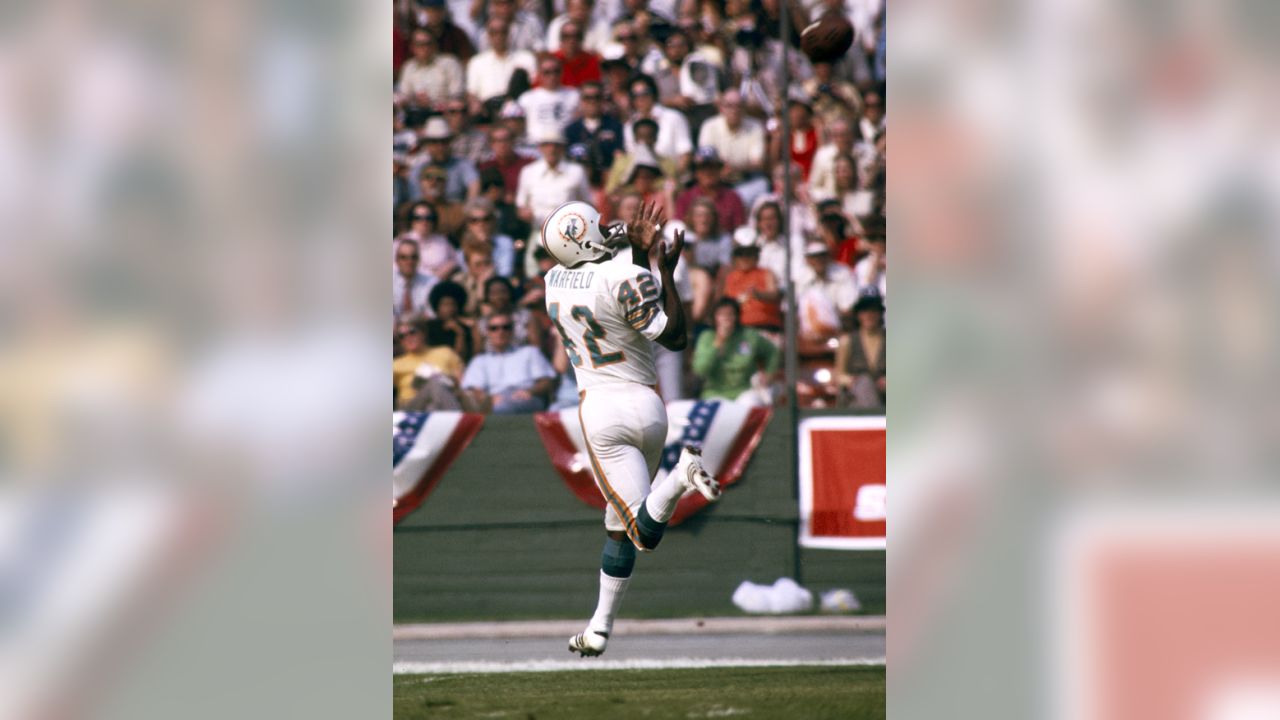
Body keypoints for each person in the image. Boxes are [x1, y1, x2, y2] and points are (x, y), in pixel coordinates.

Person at [540, 200, 719, 657]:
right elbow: (673, 337)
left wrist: (634, 246)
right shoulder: (624, 276)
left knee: (642, 533)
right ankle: (599, 628)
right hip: (648, 405)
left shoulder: (553, 281)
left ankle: (681, 478)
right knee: (622, 525)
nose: (605, 227)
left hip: (602, 411)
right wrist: (665, 269)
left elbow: (596, 253)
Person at [460, 310, 557, 413]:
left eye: (506, 327)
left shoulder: (530, 352)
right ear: (487, 332)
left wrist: (531, 391)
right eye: (494, 328)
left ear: (513, 330)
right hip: (494, 399)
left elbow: (547, 381)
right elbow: (473, 388)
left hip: (526, 397)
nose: (500, 331)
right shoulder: (479, 361)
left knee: (501, 408)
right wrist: (488, 399)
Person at [690, 298, 781, 404]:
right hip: (715, 393)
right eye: (721, 315)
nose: (726, 319)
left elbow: (773, 352)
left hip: (744, 391)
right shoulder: (707, 337)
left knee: (752, 402)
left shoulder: (749, 336)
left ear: (737, 316)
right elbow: (700, 369)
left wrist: (769, 373)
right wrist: (718, 343)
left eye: (730, 314)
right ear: (715, 318)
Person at [466, 18, 537, 106]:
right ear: (488, 36)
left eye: (503, 32)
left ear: (509, 34)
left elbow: (534, 88)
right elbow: (472, 93)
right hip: (490, 109)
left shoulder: (526, 58)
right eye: (494, 33)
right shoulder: (477, 62)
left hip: (518, 109)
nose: (499, 37)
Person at [833, 292, 885, 409]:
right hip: (857, 397)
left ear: (880, 314)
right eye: (864, 311)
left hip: (886, 397)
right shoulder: (847, 341)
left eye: (873, 311)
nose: (869, 316)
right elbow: (839, 374)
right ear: (858, 315)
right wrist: (850, 380)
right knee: (865, 383)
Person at [393, 239, 438, 320]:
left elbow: (432, 315)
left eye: (413, 257)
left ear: (418, 260)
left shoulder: (431, 282)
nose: (409, 261)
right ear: (397, 260)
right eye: (403, 257)